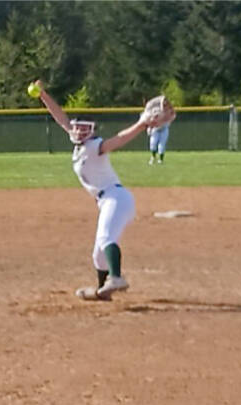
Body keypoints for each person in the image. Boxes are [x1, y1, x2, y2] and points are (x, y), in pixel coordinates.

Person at [31, 79, 156, 301]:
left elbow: (118, 140)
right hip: (107, 200)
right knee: (98, 255)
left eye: (84, 128)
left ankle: (116, 277)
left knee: (107, 238)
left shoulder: (94, 146)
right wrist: (43, 95)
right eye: (77, 127)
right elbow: (60, 117)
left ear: (92, 132)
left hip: (116, 198)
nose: (78, 130)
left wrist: (141, 124)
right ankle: (102, 291)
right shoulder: (79, 146)